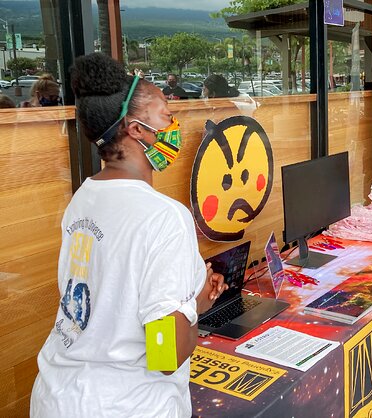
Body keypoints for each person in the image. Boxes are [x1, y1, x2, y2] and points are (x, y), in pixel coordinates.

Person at [30, 52, 227, 417]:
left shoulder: (83, 199)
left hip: (57, 396)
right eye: (166, 115)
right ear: (136, 129)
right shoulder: (163, 217)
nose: (174, 124)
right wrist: (195, 305)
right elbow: (166, 354)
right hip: (127, 404)